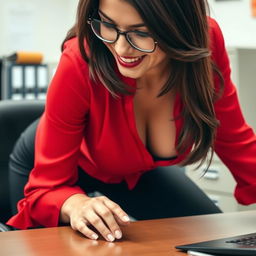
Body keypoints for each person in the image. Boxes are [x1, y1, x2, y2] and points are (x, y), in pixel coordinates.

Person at [7, 0, 256, 243]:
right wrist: (74, 203)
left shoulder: (205, 40)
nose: (121, 49)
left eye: (140, 32)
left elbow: (233, 136)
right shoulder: (81, 57)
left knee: (215, 240)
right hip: (53, 169)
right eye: (108, 24)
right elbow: (45, 186)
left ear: (178, 27)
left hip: (133, 170)